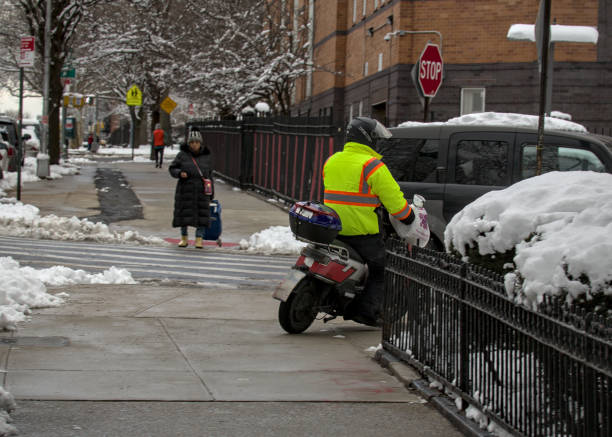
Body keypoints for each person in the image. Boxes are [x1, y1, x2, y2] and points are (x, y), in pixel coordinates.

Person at [323, 116, 415, 326]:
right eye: (375, 137)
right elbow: (394, 201)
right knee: (380, 268)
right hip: (361, 232)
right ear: (368, 138)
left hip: (332, 228)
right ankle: (365, 311)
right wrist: (407, 216)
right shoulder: (373, 166)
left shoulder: (332, 160)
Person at [168, 128, 214, 249]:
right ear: (188, 143)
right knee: (184, 214)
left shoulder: (206, 156)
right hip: (185, 189)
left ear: (200, 143)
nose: (194, 144)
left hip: (201, 190)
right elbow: (172, 168)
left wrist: (211, 193)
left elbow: (209, 175)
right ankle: (184, 238)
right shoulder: (182, 155)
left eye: (196, 142)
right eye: (192, 142)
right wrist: (179, 173)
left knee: (202, 214)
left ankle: (199, 239)